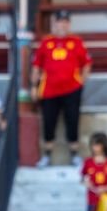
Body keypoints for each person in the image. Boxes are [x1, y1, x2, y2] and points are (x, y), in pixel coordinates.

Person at [33, 11, 91, 167]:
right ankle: (47, 155)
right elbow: (36, 66)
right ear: (54, 23)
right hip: (49, 90)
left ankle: (74, 155)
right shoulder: (46, 42)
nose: (63, 25)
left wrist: (82, 81)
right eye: (60, 21)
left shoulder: (76, 41)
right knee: (48, 122)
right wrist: (34, 86)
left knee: (72, 120)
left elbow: (86, 63)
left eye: (65, 22)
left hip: (72, 89)